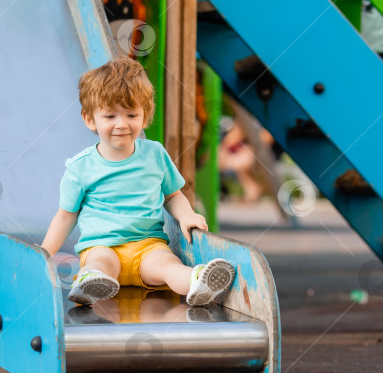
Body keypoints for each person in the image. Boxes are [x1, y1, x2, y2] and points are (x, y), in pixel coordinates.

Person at [39, 56, 237, 307]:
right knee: (101, 262)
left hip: (148, 246)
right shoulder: (81, 167)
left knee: (168, 266)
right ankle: (90, 282)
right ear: (90, 119)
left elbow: (172, 195)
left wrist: (186, 215)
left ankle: (198, 281)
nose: (121, 124)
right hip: (102, 245)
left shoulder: (154, 154)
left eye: (131, 115)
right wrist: (46, 252)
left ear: (145, 117)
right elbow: (66, 215)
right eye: (110, 116)